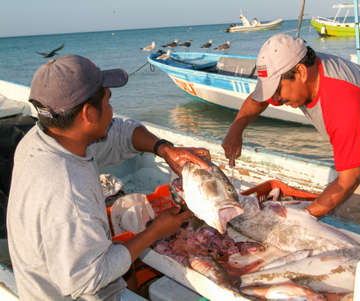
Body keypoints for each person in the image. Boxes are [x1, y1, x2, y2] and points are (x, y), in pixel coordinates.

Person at [7, 54, 210, 300]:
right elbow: (88, 279)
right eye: (108, 100)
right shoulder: (67, 192)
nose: (112, 110)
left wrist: (165, 150)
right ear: (88, 114)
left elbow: (120, 132)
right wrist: (153, 232)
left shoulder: (45, 137)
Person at [222, 34, 360, 232]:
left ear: (301, 72)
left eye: (277, 90)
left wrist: (297, 219)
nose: (275, 98)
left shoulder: (343, 103)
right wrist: (235, 130)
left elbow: (348, 180)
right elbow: (259, 100)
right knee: (344, 216)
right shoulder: (295, 72)